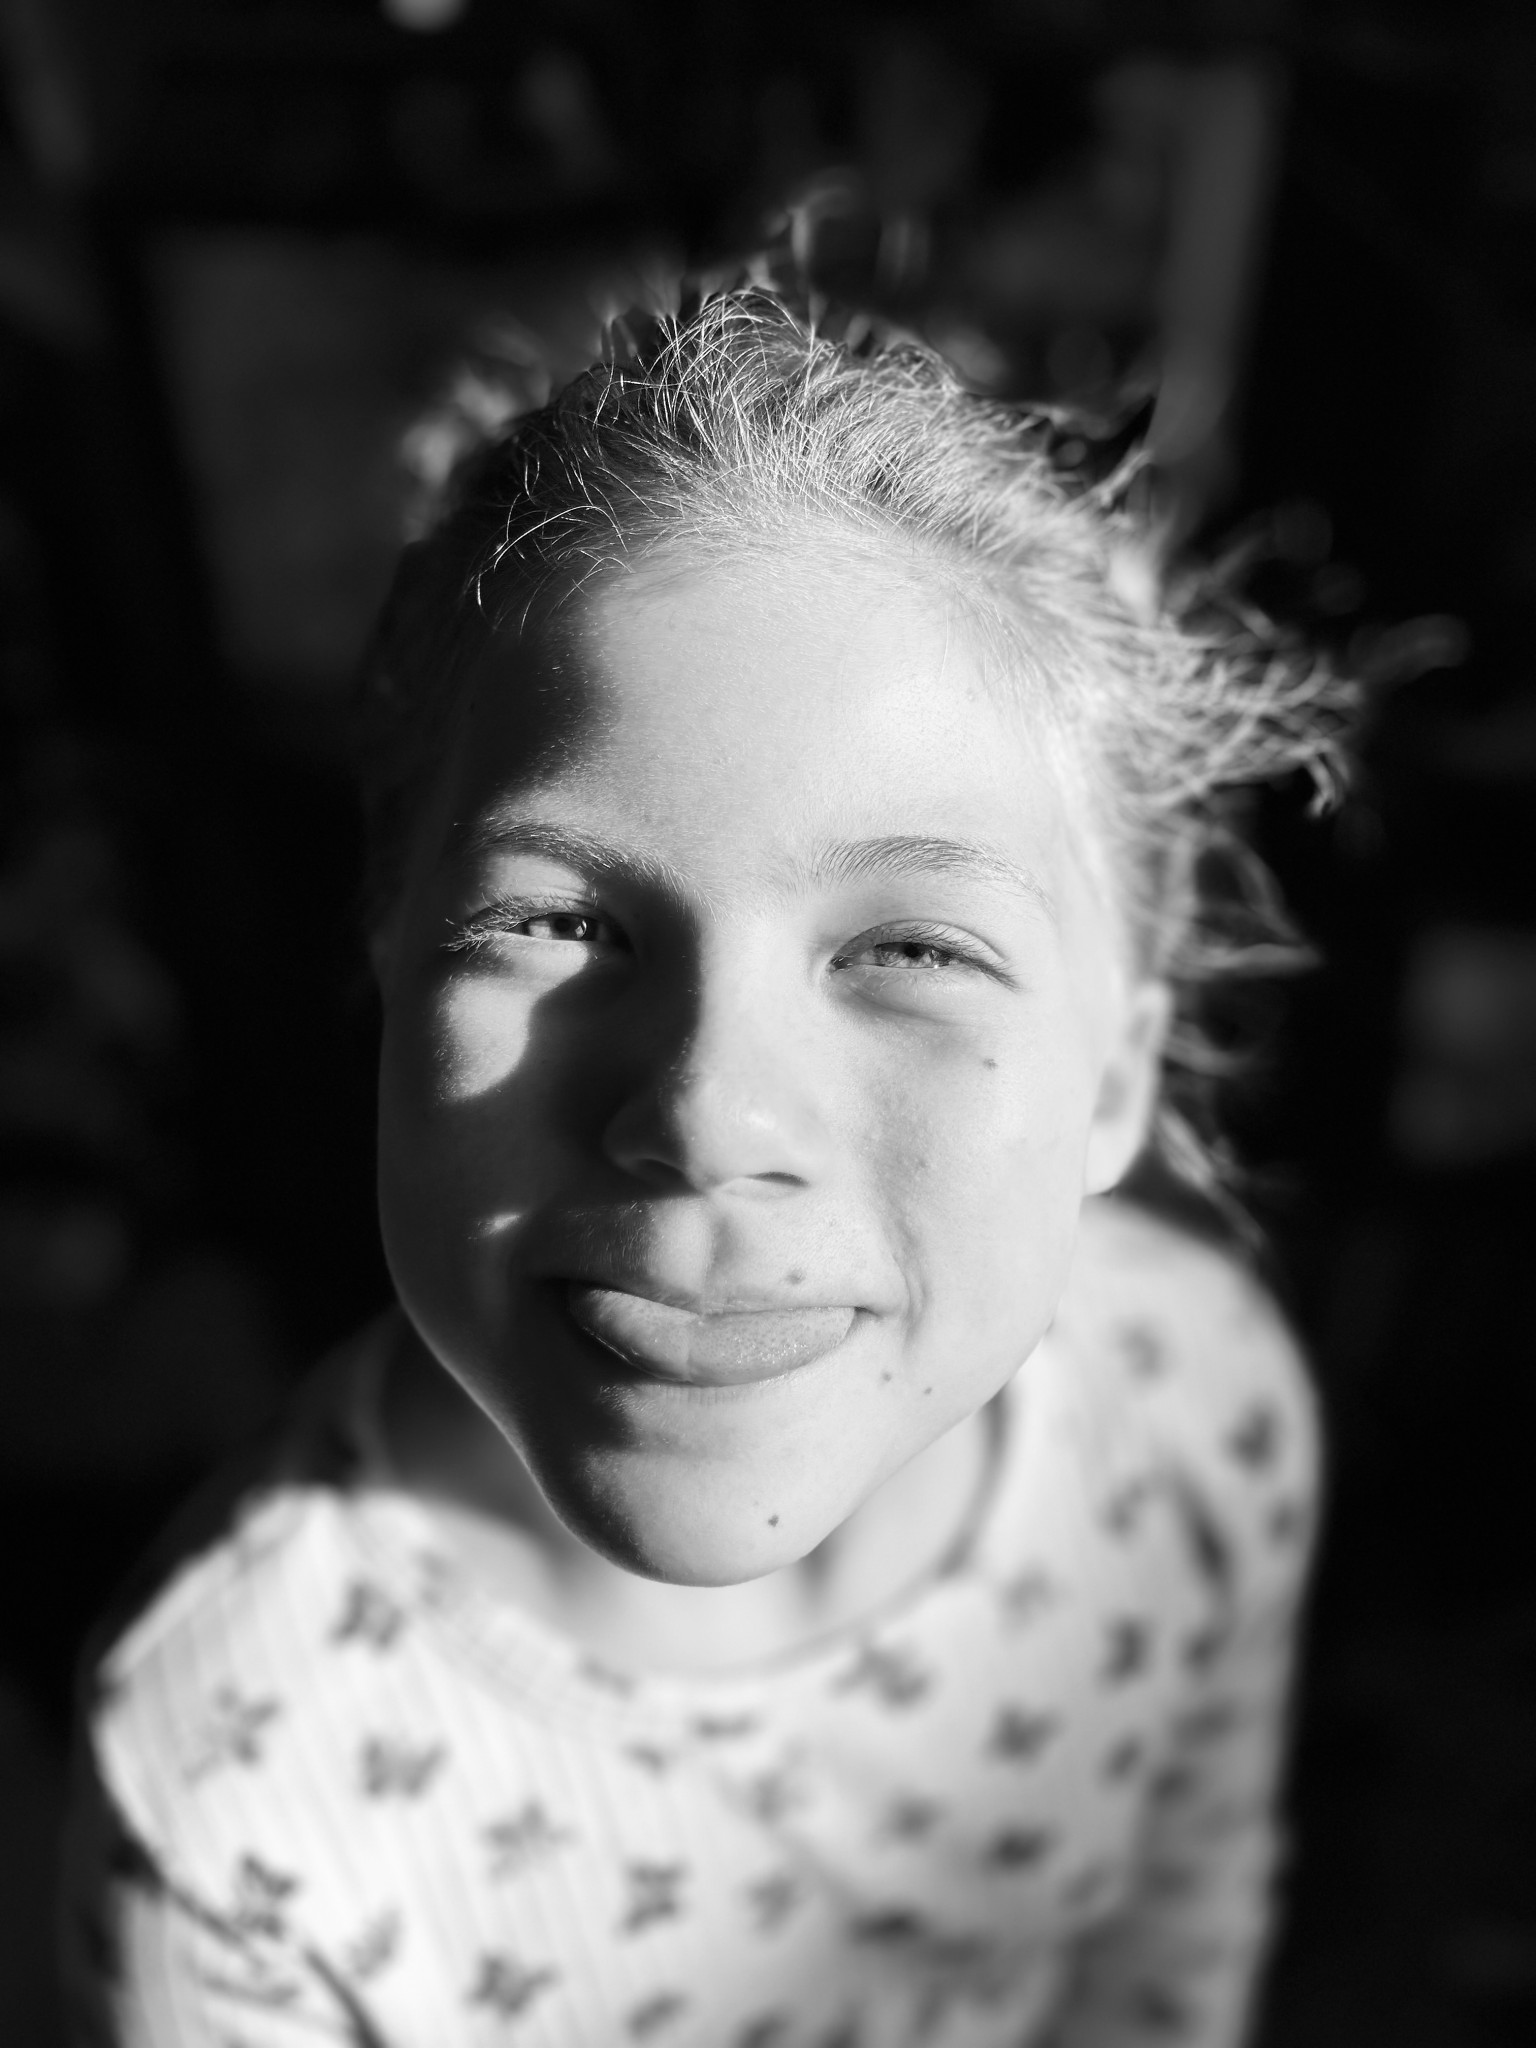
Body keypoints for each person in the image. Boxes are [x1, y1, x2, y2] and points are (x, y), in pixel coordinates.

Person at [62, 283, 1350, 2048]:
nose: (706, 1113)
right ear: (389, 969)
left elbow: (1172, 1953)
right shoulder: (234, 1800)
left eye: (913, 949)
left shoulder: (1187, 1410)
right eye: (559, 922)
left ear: (1116, 1068)